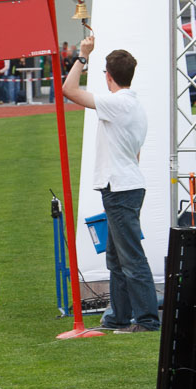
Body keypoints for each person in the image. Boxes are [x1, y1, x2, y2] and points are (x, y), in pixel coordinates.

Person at [62, 35, 160, 332]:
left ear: (108, 75)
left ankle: (147, 320)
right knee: (117, 257)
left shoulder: (118, 103)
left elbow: (69, 90)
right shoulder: (135, 106)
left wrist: (82, 55)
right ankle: (118, 316)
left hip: (120, 189)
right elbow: (137, 153)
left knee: (130, 258)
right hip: (125, 185)